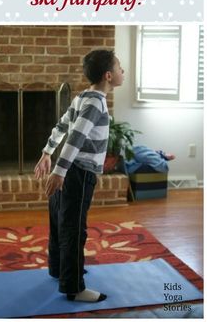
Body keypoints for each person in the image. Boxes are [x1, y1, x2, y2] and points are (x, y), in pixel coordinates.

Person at [34, 49, 124, 303]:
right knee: (74, 229)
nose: (123, 72)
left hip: (67, 170)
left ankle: (58, 269)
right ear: (108, 75)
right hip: (78, 173)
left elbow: (62, 126)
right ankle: (74, 287)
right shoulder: (96, 102)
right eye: (120, 68)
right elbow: (75, 137)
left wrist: (47, 152)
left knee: (59, 222)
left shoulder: (82, 97)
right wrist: (60, 171)